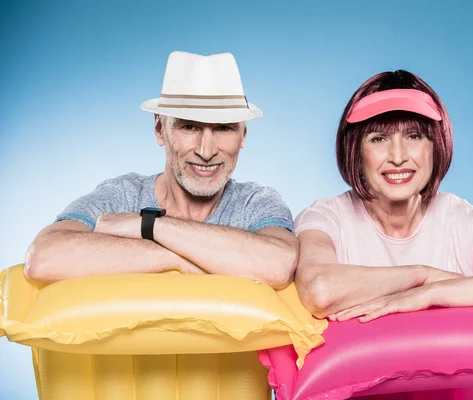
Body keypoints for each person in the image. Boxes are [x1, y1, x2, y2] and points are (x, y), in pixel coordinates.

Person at [295, 70, 473, 323]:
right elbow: (320, 290)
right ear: (356, 150)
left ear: (436, 145)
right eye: (379, 139)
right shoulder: (327, 217)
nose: (398, 157)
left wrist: (433, 293)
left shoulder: (463, 221)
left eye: (414, 136)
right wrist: (421, 276)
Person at [24, 51, 298, 289]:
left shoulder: (256, 203)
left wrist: (151, 226)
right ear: (160, 129)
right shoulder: (123, 196)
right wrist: (178, 259)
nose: (206, 151)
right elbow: (43, 258)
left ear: (243, 135)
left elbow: (279, 265)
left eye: (223, 128)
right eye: (189, 126)